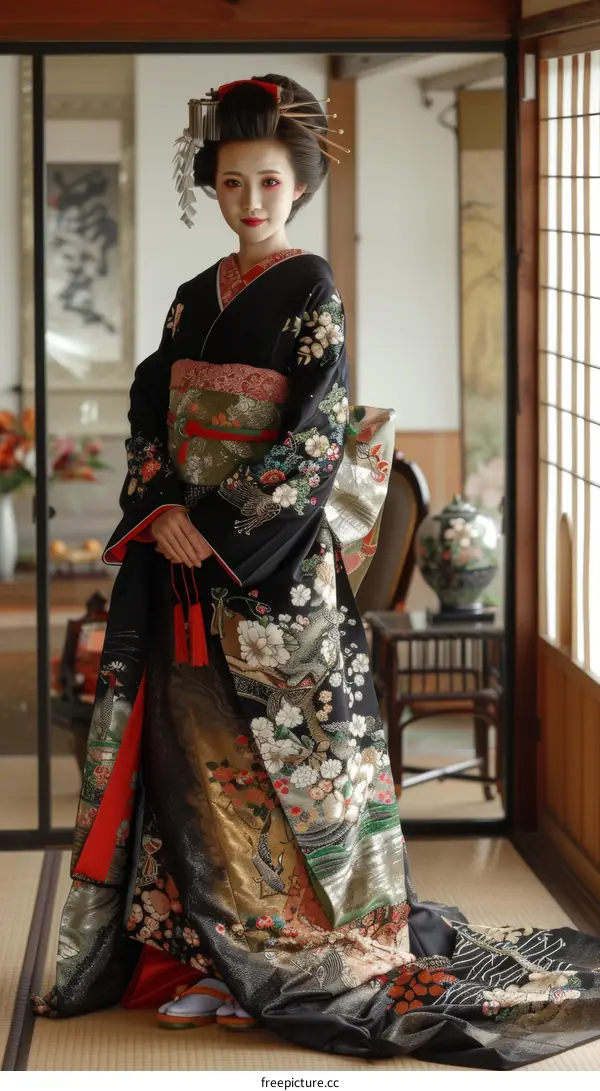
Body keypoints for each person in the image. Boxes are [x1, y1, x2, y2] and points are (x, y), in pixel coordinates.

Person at [34, 74, 600, 1069]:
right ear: (211, 186)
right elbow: (148, 411)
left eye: (269, 183)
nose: (250, 201)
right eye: (231, 182)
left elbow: (314, 438)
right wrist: (163, 510)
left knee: (285, 779)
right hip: (182, 562)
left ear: (298, 186)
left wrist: (214, 525)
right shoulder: (190, 298)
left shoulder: (311, 290)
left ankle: (287, 955)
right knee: (192, 768)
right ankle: (208, 956)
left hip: (272, 575)